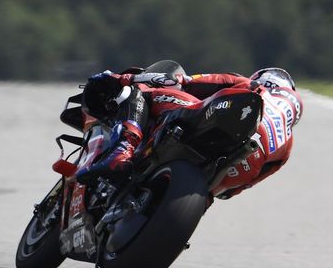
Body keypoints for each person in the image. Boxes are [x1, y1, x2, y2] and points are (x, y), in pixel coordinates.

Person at [76, 65, 303, 199]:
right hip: (239, 167)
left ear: (264, 79)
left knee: (142, 93)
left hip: (215, 120)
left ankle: (123, 150)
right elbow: (234, 191)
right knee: (204, 197)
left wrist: (125, 78)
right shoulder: (287, 144)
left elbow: (179, 82)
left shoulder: (249, 86)